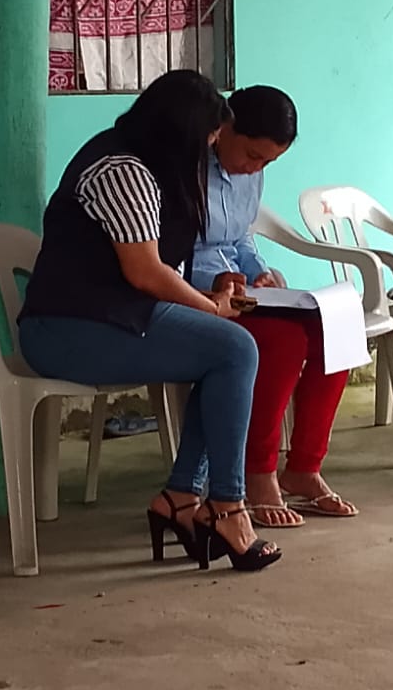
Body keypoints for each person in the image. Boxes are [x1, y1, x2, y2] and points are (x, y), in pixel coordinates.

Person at [18, 70, 280, 572]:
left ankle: (183, 497)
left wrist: (211, 292)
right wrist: (210, 308)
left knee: (226, 350)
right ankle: (226, 506)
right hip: (66, 330)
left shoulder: (154, 167)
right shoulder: (123, 169)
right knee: (234, 347)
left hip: (112, 318)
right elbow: (145, 272)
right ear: (181, 133)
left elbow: (163, 267)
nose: (209, 150)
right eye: (206, 139)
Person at [189, 86, 358, 529]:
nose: (254, 168)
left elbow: (241, 238)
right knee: (283, 340)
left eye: (267, 162)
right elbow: (170, 253)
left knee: (335, 326)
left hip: (243, 294)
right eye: (251, 155)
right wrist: (216, 280)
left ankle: (304, 467)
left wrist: (259, 273)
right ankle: (257, 473)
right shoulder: (184, 169)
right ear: (224, 129)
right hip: (196, 296)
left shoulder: (251, 175)